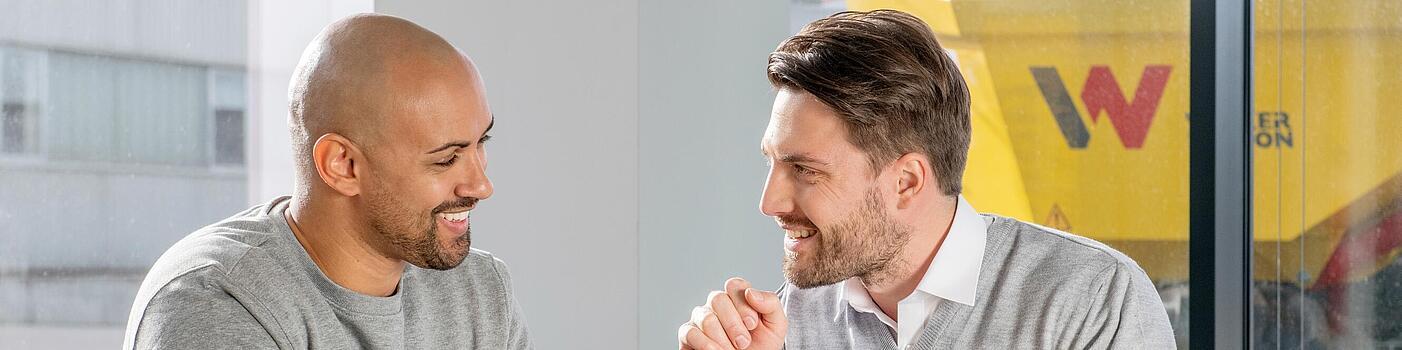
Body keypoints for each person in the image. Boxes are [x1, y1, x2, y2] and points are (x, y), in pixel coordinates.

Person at [678, 10, 1174, 350]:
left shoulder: (1091, 299)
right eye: (773, 162)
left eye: (804, 170)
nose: (770, 202)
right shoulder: (793, 320)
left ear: (907, 182)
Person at [123, 13, 531, 349]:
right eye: (446, 159)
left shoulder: (481, 292)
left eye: (482, 142)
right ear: (343, 165)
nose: (481, 185)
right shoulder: (216, 302)